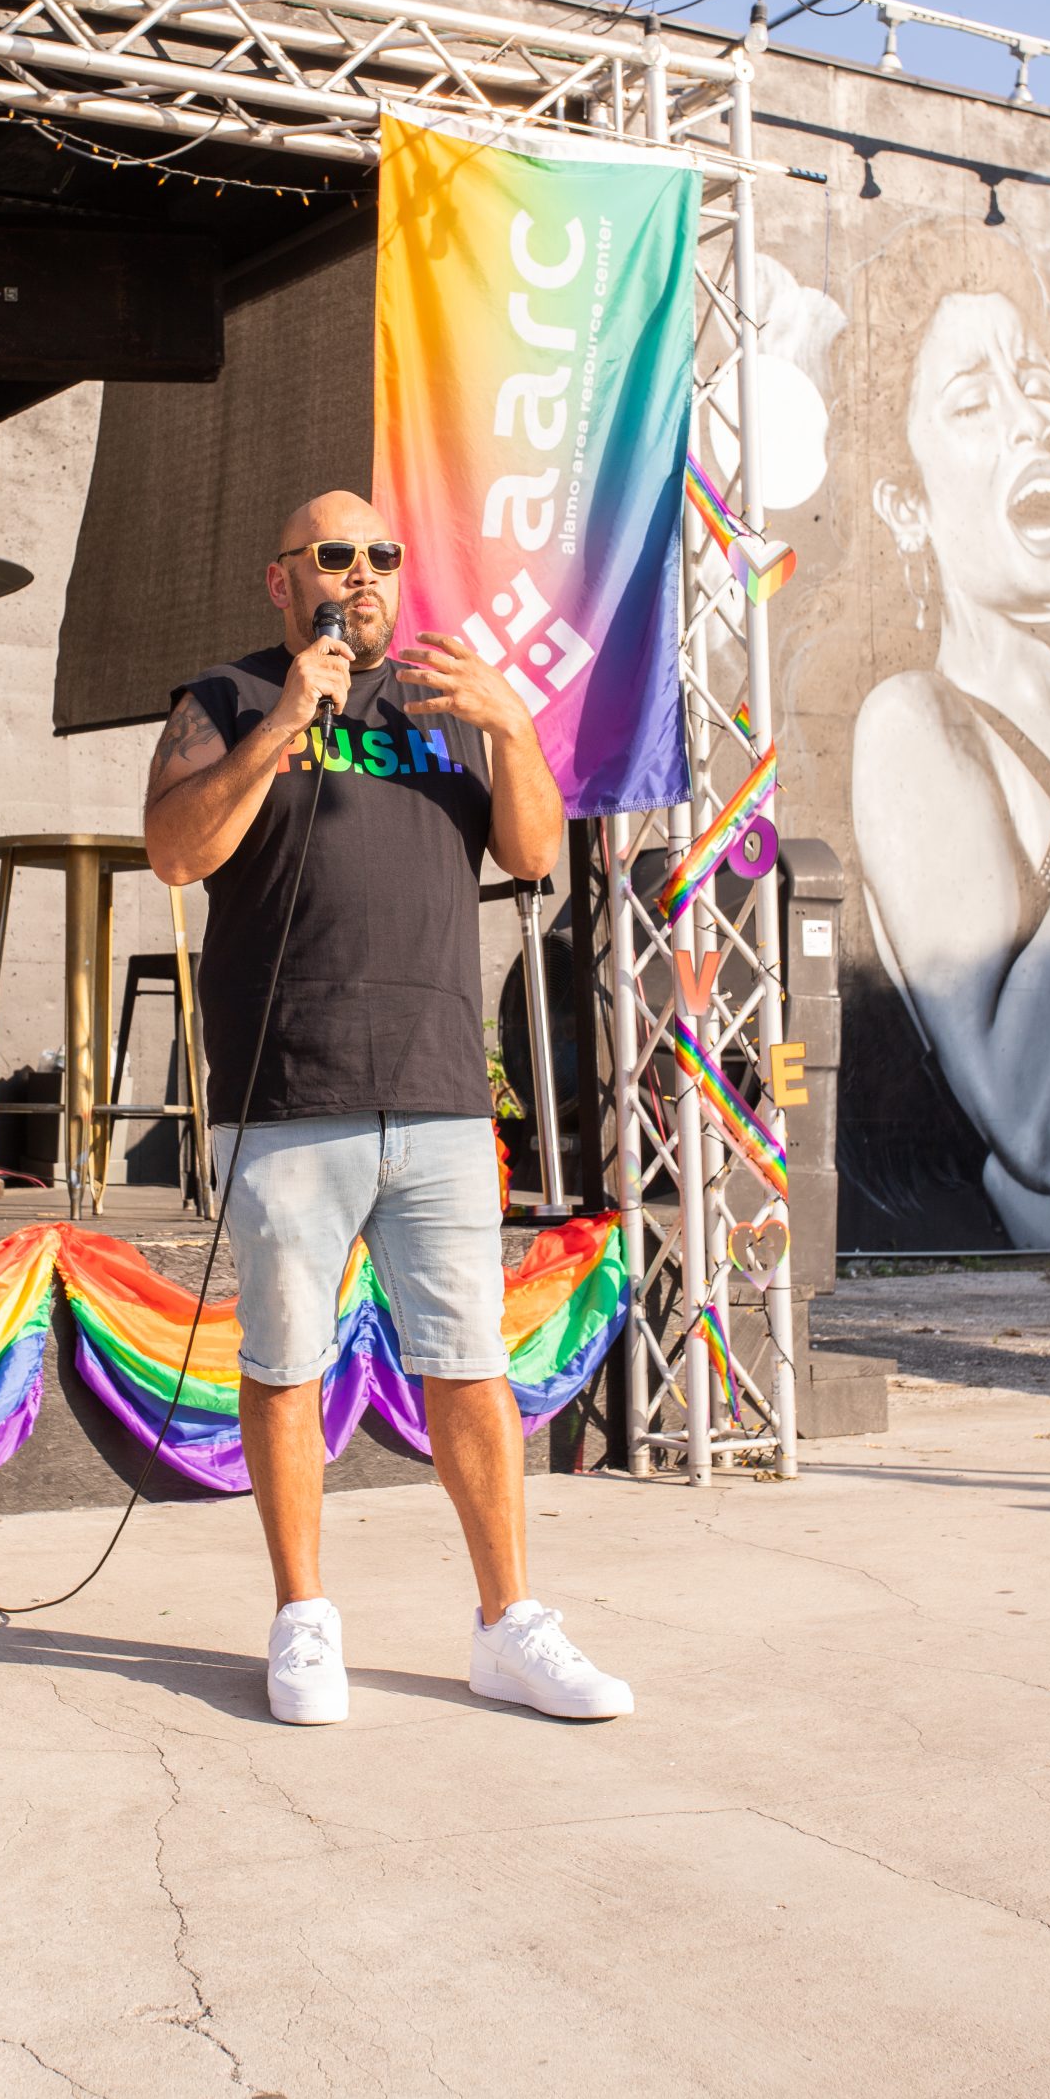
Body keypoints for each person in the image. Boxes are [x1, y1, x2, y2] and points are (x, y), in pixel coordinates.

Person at [143, 488, 633, 1727]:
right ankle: (304, 1616)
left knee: (468, 1363)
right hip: (290, 1091)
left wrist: (510, 725)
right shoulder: (227, 697)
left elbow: (533, 855)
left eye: (381, 554)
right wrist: (283, 722)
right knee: (285, 1362)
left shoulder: (443, 703)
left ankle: (508, 1625)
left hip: (438, 1093)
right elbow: (175, 851)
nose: (361, 572)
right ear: (283, 578)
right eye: (334, 554)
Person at [851, 221, 1050, 1248]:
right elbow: (1035, 1129)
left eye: (1037, 383)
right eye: (973, 402)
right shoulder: (914, 725)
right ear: (906, 506)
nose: (1032, 419)